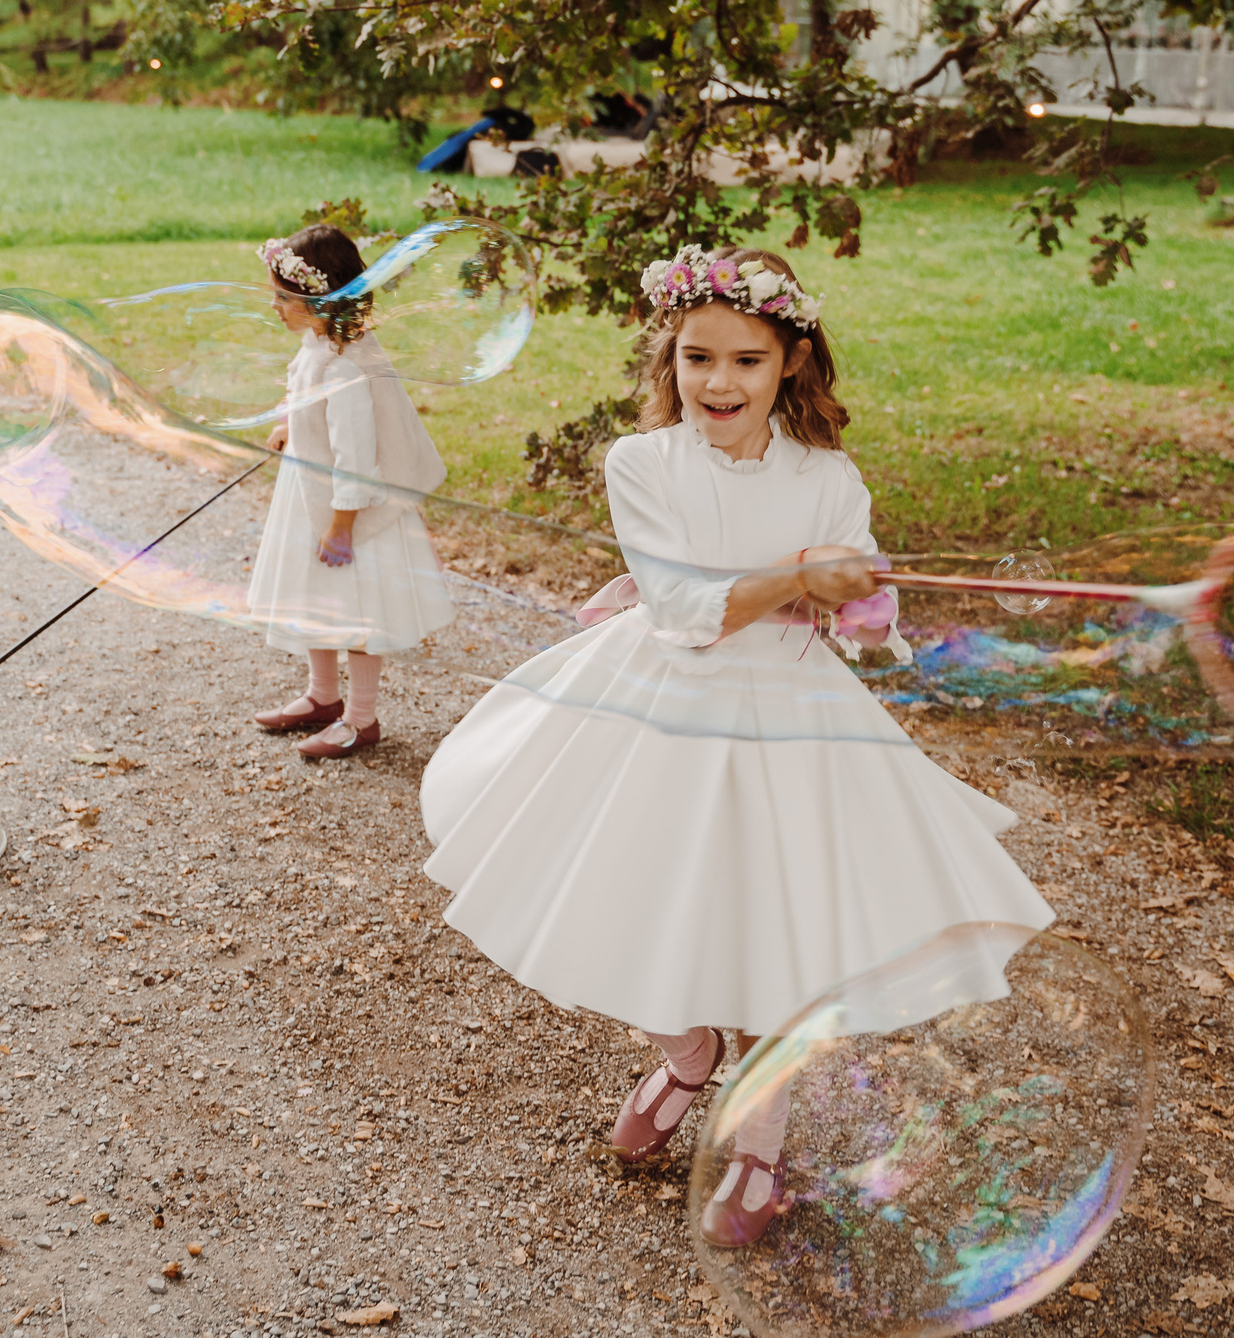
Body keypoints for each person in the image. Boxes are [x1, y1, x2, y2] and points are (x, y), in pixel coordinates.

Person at [414, 245, 1054, 1247]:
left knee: (772, 928)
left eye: (746, 362)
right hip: (659, 701)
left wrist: (859, 597)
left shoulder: (829, 477)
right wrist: (799, 569)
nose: (717, 383)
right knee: (627, 898)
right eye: (696, 358)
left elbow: (862, 624)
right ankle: (683, 1053)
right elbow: (683, 613)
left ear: (791, 362)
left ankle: (758, 1142)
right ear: (668, 358)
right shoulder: (642, 464)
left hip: (791, 715)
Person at [243, 224, 455, 760]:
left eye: (283, 298)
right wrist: (292, 423)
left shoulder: (346, 365)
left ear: (321, 298)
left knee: (355, 611)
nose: (275, 308)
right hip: (314, 494)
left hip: (350, 509)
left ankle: (360, 719)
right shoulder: (321, 341)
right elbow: (307, 395)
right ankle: (322, 697)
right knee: (315, 601)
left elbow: (357, 458)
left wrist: (342, 527)